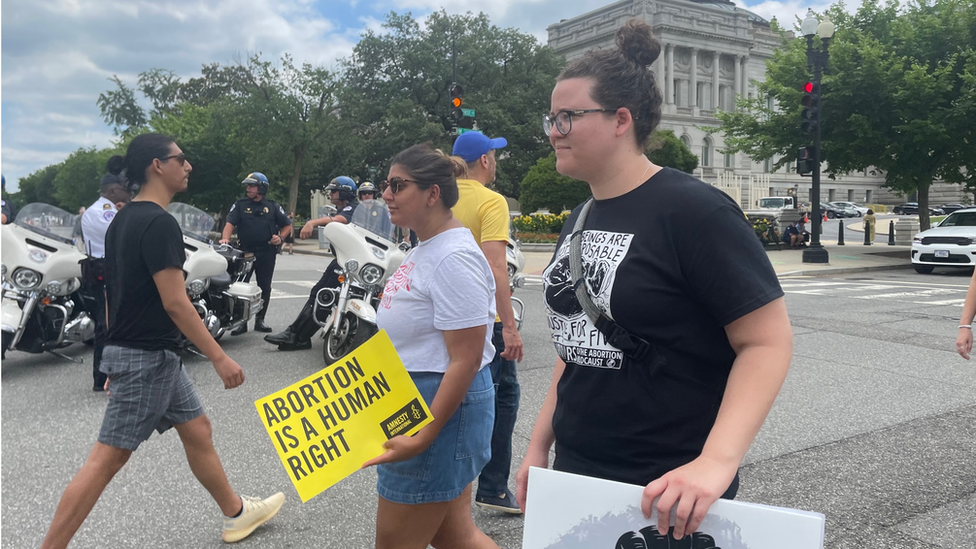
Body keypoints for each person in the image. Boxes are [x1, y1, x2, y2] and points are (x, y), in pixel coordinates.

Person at [515, 20, 793, 541]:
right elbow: (578, 346)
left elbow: (767, 340)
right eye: (551, 117)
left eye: (568, 117)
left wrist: (716, 463)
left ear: (621, 120)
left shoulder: (695, 211)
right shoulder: (579, 217)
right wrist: (538, 447)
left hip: (666, 489)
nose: (553, 129)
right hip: (576, 475)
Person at [40, 133, 284, 549]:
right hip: (146, 357)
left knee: (198, 430)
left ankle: (237, 514)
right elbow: (176, 303)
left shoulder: (124, 219)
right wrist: (219, 357)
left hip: (152, 356)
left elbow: (116, 294)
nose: (188, 166)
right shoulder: (158, 223)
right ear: (158, 165)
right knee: (106, 459)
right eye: (181, 159)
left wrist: (113, 355)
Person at [362, 144, 498, 549]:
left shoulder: (453, 257)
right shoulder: (428, 246)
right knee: (457, 538)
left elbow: (467, 357)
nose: (386, 193)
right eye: (387, 184)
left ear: (432, 194)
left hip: (435, 413)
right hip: (421, 404)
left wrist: (423, 435)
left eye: (397, 185)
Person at [451, 131, 525, 514]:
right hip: (484, 319)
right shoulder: (491, 201)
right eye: (494, 155)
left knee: (454, 396)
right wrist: (509, 326)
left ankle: (452, 485)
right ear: (484, 160)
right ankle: (493, 487)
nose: (495, 162)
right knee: (503, 397)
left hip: (447, 317)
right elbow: (497, 266)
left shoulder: (438, 197)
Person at [263, 176, 359, 351]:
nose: (330, 193)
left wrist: (312, 222)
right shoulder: (347, 208)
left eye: (334, 190)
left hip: (350, 263)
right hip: (342, 260)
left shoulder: (353, 208)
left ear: (344, 192)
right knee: (320, 294)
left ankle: (298, 336)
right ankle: (296, 335)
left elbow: (340, 220)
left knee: (324, 296)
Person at [80, 155, 132, 392]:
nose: (127, 192)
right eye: (123, 189)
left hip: (109, 269)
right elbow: (123, 230)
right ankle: (101, 378)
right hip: (104, 271)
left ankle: (112, 373)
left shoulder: (107, 208)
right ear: (112, 190)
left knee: (114, 322)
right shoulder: (102, 211)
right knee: (106, 325)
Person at [219, 172, 292, 334]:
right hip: (245, 253)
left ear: (261, 188)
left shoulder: (272, 206)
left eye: (251, 186)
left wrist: (280, 238)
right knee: (240, 286)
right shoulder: (240, 205)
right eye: (248, 186)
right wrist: (225, 239)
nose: (248, 188)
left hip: (267, 252)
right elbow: (229, 224)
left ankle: (260, 320)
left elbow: (287, 225)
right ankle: (241, 322)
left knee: (264, 286)